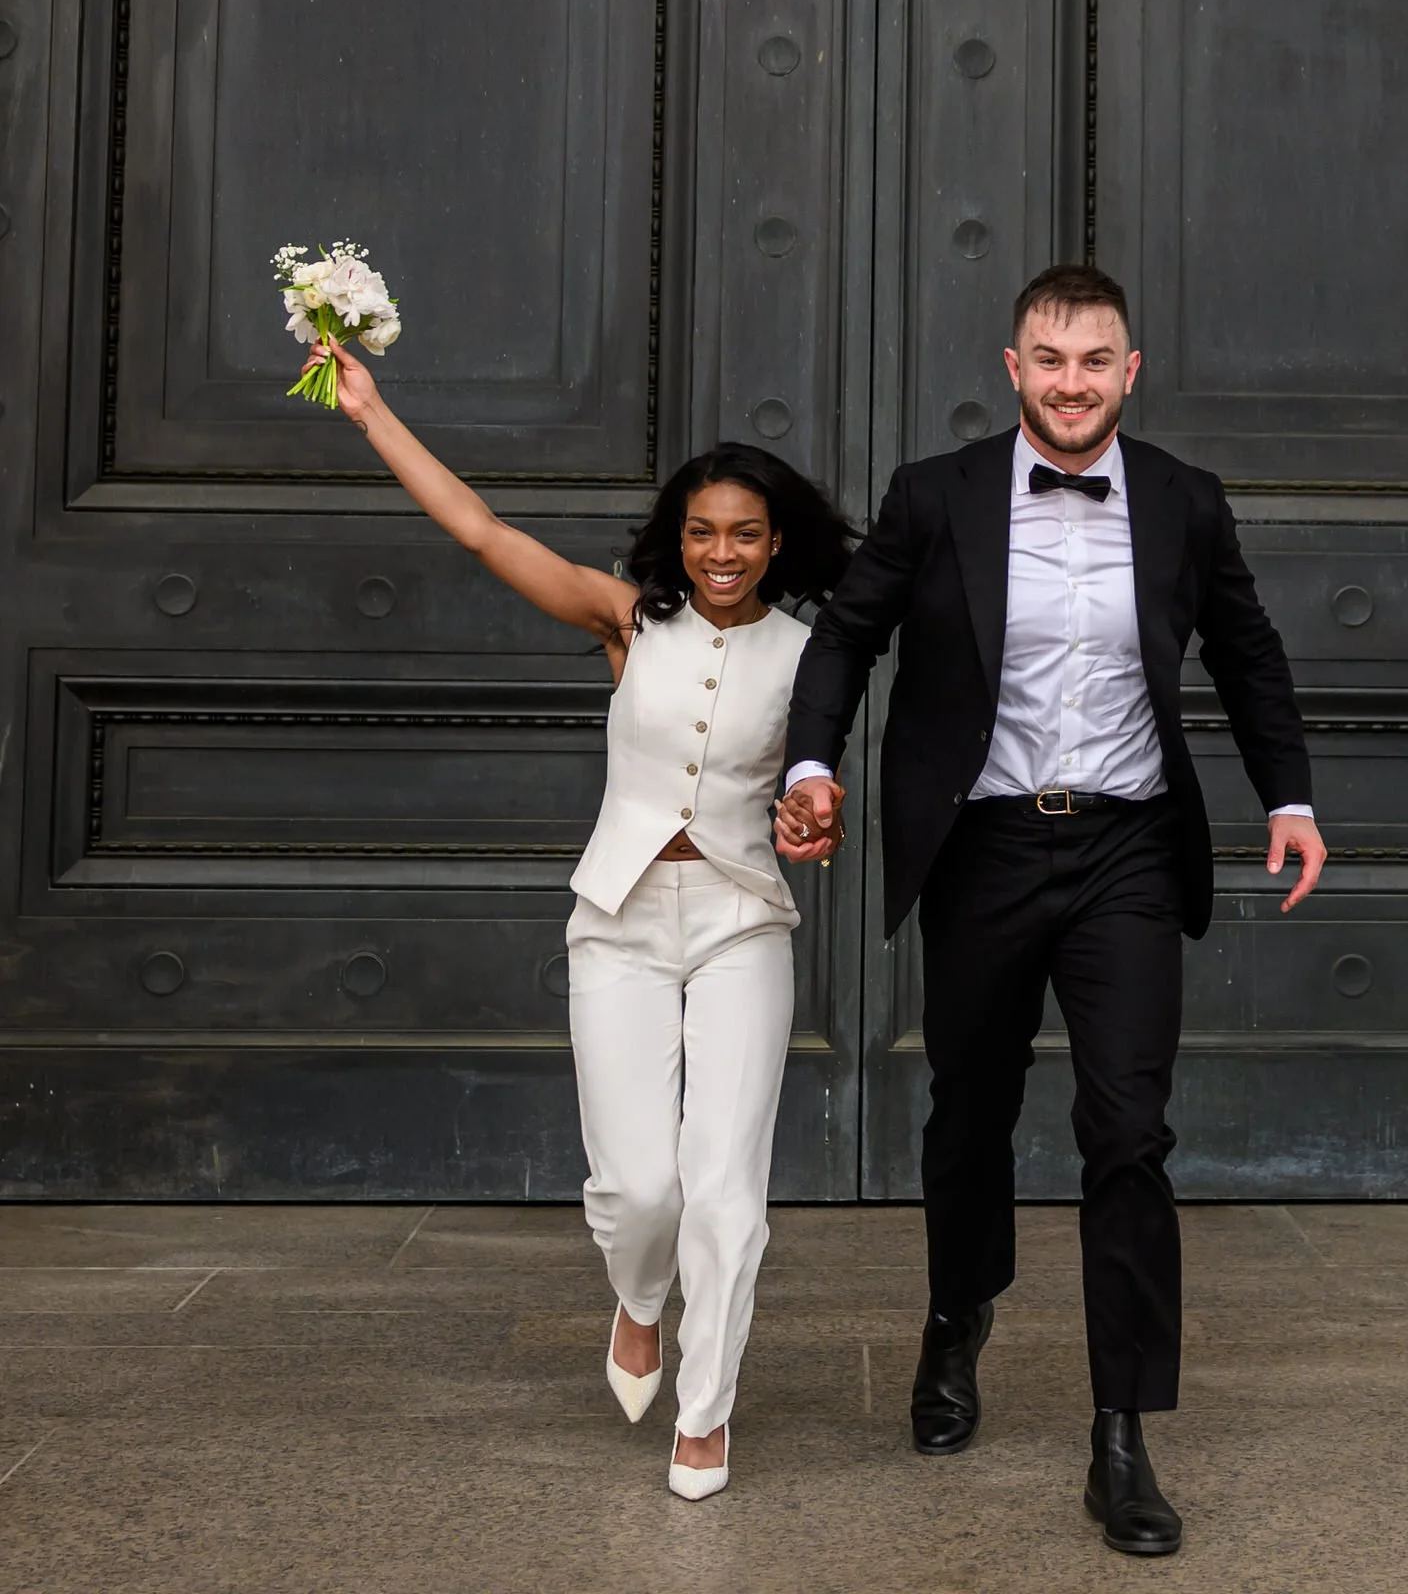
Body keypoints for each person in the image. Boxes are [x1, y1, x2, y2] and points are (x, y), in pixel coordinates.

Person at [774, 263, 1326, 1558]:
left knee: (1128, 1132)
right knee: (969, 1110)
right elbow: (848, 636)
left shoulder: (1187, 503)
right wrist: (812, 764)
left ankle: (1122, 1436)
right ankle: (957, 1316)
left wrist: (1289, 800)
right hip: (985, 846)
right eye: (1049, 358)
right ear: (1013, 367)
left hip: (1128, 847)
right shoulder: (935, 496)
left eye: (1095, 361)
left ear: (1129, 373)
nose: (1072, 382)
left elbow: (1247, 653)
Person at [312, 338, 852, 1501]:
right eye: (704, 531)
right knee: (638, 1193)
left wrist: (815, 812)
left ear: (778, 543)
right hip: (615, 920)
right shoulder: (624, 619)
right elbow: (480, 533)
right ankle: (639, 1296)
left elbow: (814, 775)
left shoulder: (815, 654)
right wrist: (372, 414)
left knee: (724, 1192)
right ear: (679, 537)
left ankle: (704, 1417)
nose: (723, 553)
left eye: (746, 533)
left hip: (741, 920)